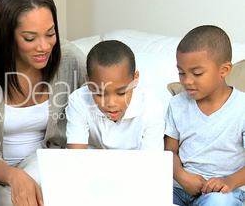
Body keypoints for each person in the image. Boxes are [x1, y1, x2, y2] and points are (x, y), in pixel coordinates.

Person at [0, 0, 86, 206]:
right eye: (30, 38)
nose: (44, 46)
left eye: (50, 33)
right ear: (7, 37)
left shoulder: (69, 58)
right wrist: (15, 176)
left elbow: (98, 106)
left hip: (50, 166)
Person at [164, 25, 245, 206]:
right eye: (181, 73)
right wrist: (181, 176)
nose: (187, 81)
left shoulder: (242, 108)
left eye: (197, 73)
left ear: (224, 70)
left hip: (223, 192)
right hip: (179, 187)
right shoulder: (177, 104)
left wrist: (228, 182)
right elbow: (170, 151)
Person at [65, 40, 165, 150]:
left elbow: (152, 163)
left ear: (135, 79)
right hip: (91, 166)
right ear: (89, 84)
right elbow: (75, 156)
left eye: (121, 93)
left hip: (137, 166)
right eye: (100, 94)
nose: (111, 103)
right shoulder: (79, 100)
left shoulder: (152, 108)